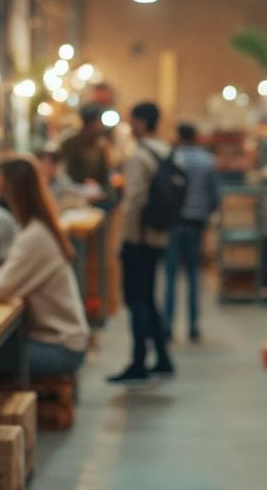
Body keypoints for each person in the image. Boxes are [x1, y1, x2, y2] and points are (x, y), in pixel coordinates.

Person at [0, 157, 90, 377]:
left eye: (2, 189)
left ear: (14, 192)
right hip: (64, 340)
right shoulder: (40, 228)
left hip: (61, 347)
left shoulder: (34, 236)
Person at [108, 101, 175, 384]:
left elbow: (134, 201)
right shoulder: (165, 151)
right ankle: (162, 357)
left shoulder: (138, 156)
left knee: (136, 300)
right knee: (149, 297)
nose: (129, 126)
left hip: (139, 239)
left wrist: (126, 239)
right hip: (159, 236)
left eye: (132, 121)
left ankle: (138, 361)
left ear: (143, 123)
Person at [165, 123, 220, 342]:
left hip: (173, 221)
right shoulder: (207, 160)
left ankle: (167, 326)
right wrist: (206, 211)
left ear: (178, 137)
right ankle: (193, 326)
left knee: (170, 275)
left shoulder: (172, 159)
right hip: (196, 222)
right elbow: (214, 195)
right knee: (193, 274)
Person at [59, 105, 111, 200]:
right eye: (99, 122)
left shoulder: (101, 145)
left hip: (97, 193)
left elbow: (104, 172)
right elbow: (62, 171)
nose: (101, 126)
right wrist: (82, 185)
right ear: (90, 123)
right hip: (74, 193)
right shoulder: (70, 143)